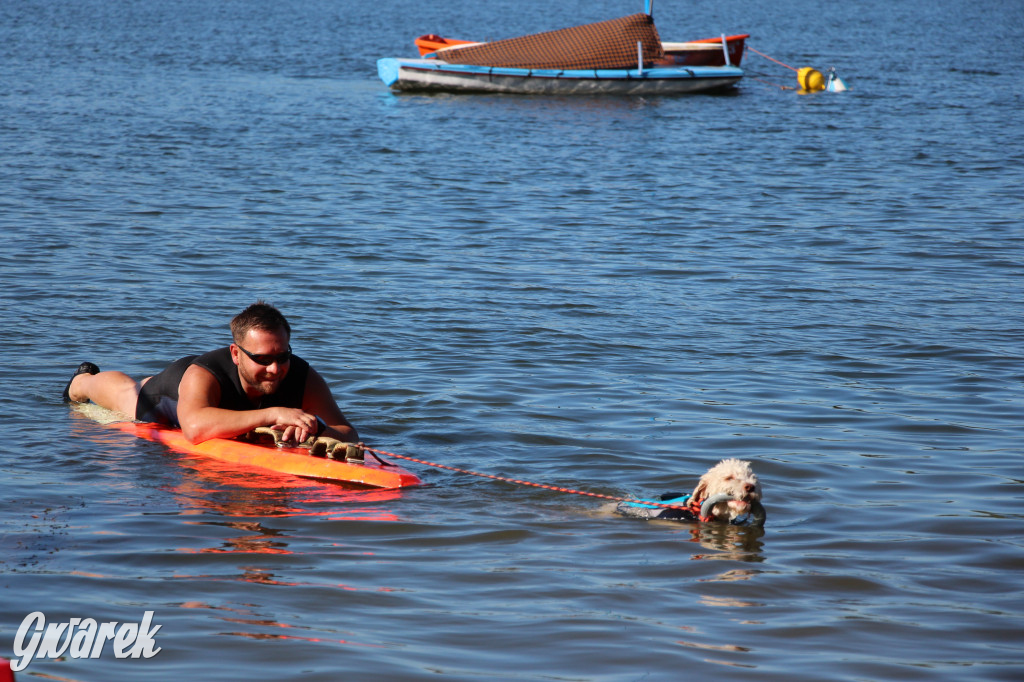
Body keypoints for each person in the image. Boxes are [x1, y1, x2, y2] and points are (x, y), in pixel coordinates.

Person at [63, 302, 358, 445]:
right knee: (128, 395)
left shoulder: (303, 375)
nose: (275, 368)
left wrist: (317, 429)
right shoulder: (204, 374)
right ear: (236, 353)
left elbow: (348, 433)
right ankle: (82, 380)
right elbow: (194, 429)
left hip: (212, 398)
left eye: (283, 357)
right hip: (173, 392)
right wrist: (274, 414)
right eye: (263, 359)